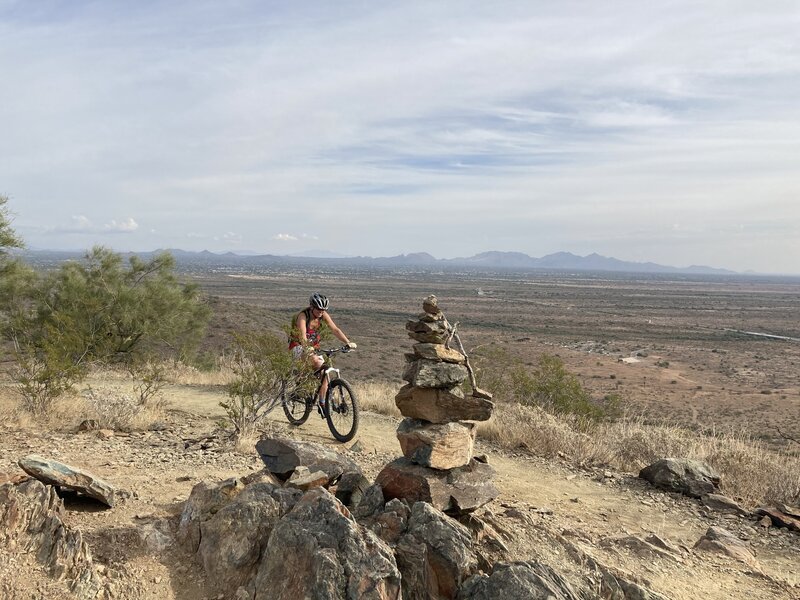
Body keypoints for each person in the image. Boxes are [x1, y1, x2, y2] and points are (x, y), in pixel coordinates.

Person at [289, 293, 356, 406]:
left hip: (313, 348)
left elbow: (335, 329)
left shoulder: (323, 315)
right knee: (316, 361)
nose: (321, 312)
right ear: (312, 307)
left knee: (325, 370)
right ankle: (300, 385)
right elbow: (302, 336)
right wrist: (307, 346)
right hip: (298, 346)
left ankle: (322, 402)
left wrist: (347, 342)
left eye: (323, 310)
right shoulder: (303, 316)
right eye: (319, 309)